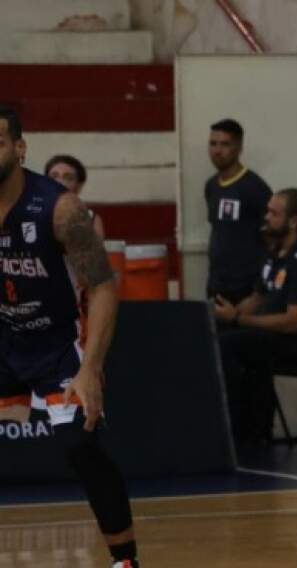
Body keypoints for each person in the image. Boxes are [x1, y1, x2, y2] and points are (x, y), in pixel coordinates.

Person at [0, 107, 140, 567]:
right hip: (5, 338)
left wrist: (91, 366)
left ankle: (125, 561)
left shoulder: (61, 209)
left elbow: (101, 285)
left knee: (81, 447)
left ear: (20, 149)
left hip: (57, 345)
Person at [214, 188, 297, 445]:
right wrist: (228, 315)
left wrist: (238, 320)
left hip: (295, 340)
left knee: (228, 346)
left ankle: (238, 433)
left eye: (273, 213)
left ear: (293, 221)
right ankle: (245, 429)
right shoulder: (275, 254)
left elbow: (293, 321)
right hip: (269, 334)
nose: (266, 217)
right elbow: (257, 298)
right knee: (216, 335)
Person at [205, 118, 272, 305]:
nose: (217, 151)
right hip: (216, 287)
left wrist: (259, 291)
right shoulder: (211, 186)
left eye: (225, 144)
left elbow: (273, 240)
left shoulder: (255, 188)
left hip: (246, 289)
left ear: (239, 148)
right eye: (213, 144)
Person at [45, 154, 105, 239]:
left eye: (68, 178)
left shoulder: (90, 218)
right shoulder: (30, 213)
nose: (59, 182)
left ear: (79, 186)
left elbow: (96, 252)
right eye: (54, 176)